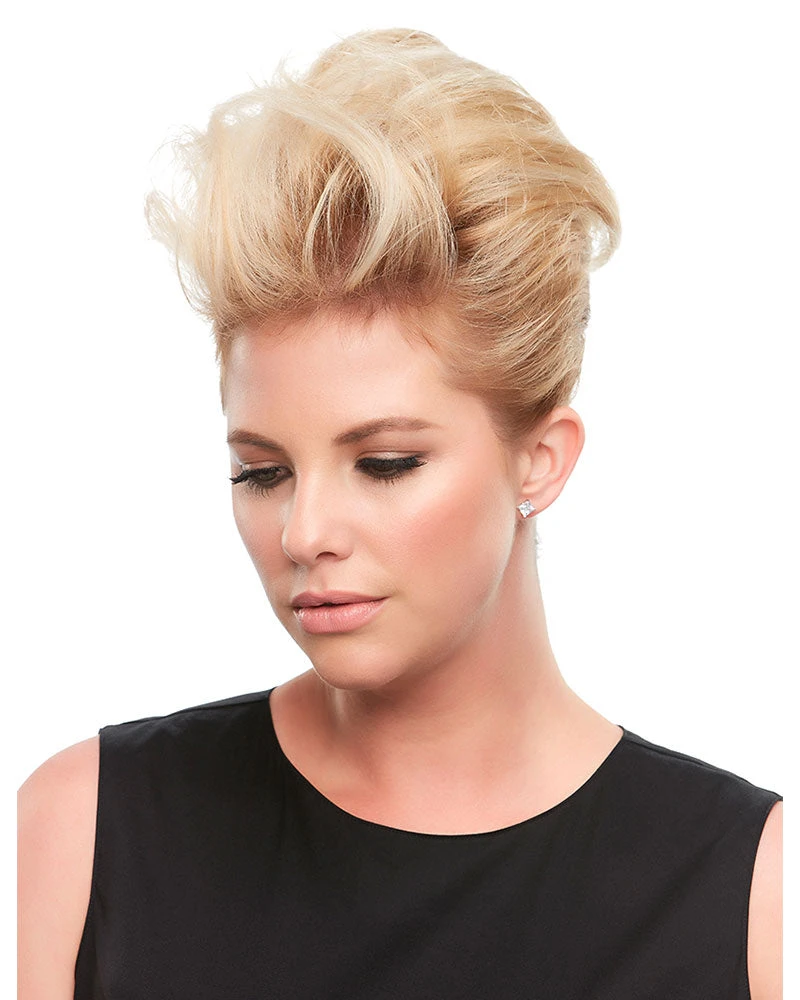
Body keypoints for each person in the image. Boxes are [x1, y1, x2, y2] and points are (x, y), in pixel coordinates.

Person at [18, 27, 782, 1000]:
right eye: (261, 472)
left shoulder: (751, 896)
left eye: (384, 463)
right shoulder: (81, 834)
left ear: (540, 459)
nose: (303, 533)